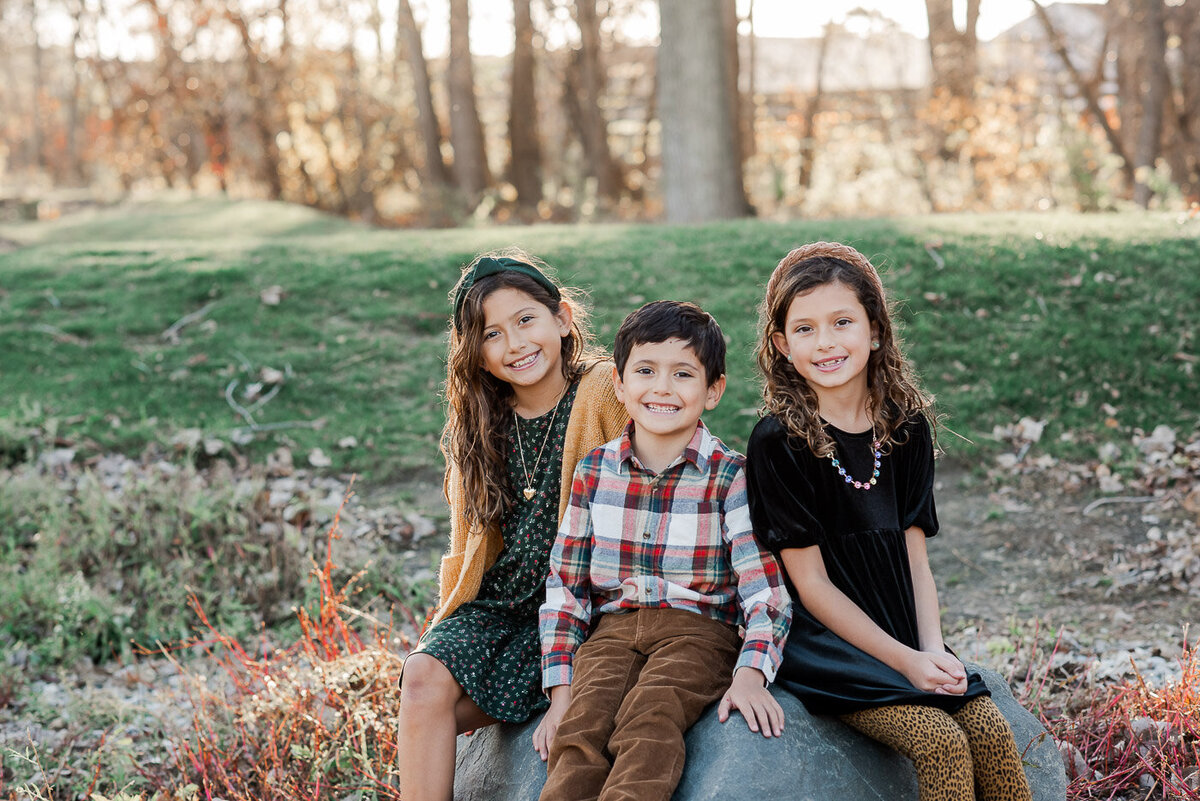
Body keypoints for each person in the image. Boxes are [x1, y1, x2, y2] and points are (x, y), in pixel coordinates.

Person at [745, 241, 1032, 801]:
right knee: (939, 741)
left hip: (904, 629)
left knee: (992, 731)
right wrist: (906, 663)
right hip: (828, 646)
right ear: (781, 346)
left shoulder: (906, 427)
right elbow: (811, 585)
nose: (825, 342)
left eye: (842, 322)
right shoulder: (779, 442)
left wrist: (933, 651)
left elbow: (916, 561)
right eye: (804, 329)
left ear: (874, 330)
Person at [535, 300, 792, 801]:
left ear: (713, 389)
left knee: (650, 717)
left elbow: (765, 593)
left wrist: (751, 673)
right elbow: (565, 588)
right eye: (646, 371)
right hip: (611, 633)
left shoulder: (728, 476)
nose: (662, 388)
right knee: (581, 729)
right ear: (620, 383)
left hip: (697, 635)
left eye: (683, 374)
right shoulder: (594, 472)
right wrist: (559, 693)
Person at [397, 251, 629, 801]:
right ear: (475, 354)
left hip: (578, 603)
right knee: (424, 680)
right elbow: (466, 547)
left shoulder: (601, 390)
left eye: (526, 320)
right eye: (491, 334)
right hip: (502, 604)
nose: (515, 344)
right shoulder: (478, 424)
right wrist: (446, 627)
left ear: (563, 319)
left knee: (440, 709)